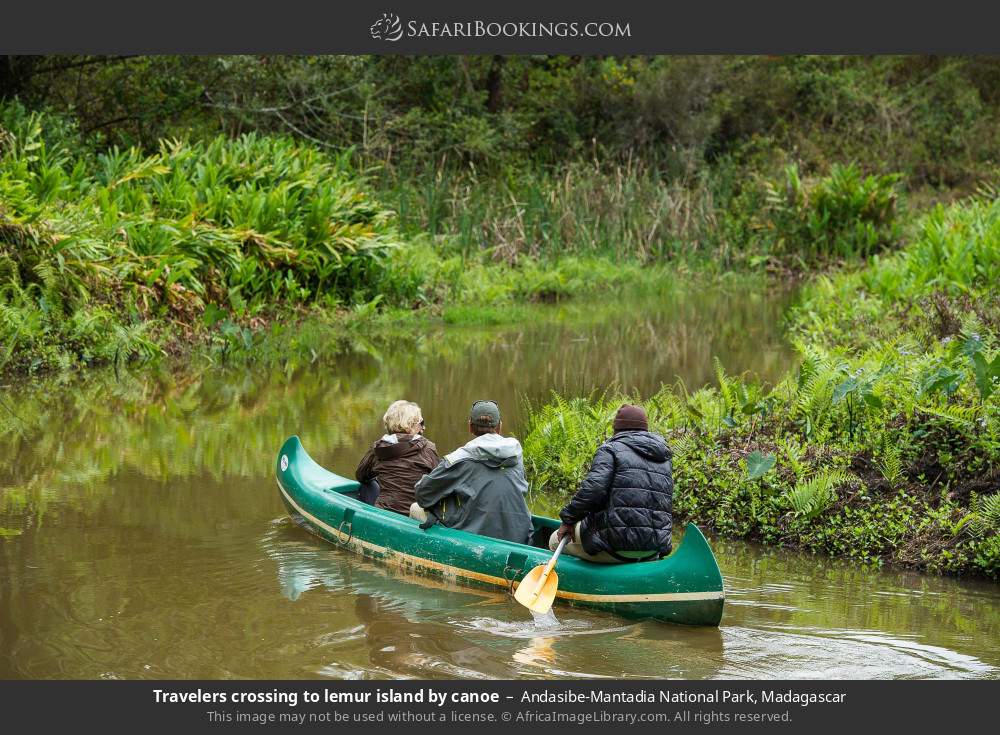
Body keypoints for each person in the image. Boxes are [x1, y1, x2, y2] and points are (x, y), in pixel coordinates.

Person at [550, 404, 673, 563]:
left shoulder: (610, 449)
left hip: (615, 547)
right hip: (653, 549)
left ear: (617, 428)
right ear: (645, 428)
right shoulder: (664, 456)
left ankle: (584, 578)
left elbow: (593, 490)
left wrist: (568, 519)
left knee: (554, 540)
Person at [410, 400, 534, 545]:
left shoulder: (459, 458)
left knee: (415, 508)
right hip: (520, 538)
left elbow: (423, 495)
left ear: (470, 427)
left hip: (474, 539)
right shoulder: (516, 454)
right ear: (500, 426)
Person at [355, 400, 440, 514]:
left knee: (367, 484)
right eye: (421, 423)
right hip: (415, 515)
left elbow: (361, 476)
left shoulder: (378, 448)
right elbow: (440, 481)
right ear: (410, 425)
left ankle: (364, 518)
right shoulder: (428, 448)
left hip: (384, 512)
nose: (423, 428)